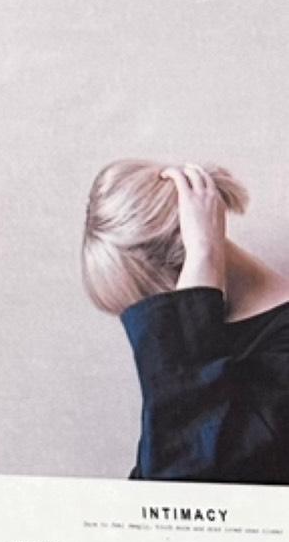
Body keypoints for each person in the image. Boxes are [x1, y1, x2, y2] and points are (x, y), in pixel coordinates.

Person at [81, 162, 289, 483]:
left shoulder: (207, 366)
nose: (156, 341)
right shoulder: (195, 364)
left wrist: (203, 256)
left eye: (151, 312)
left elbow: (183, 480)